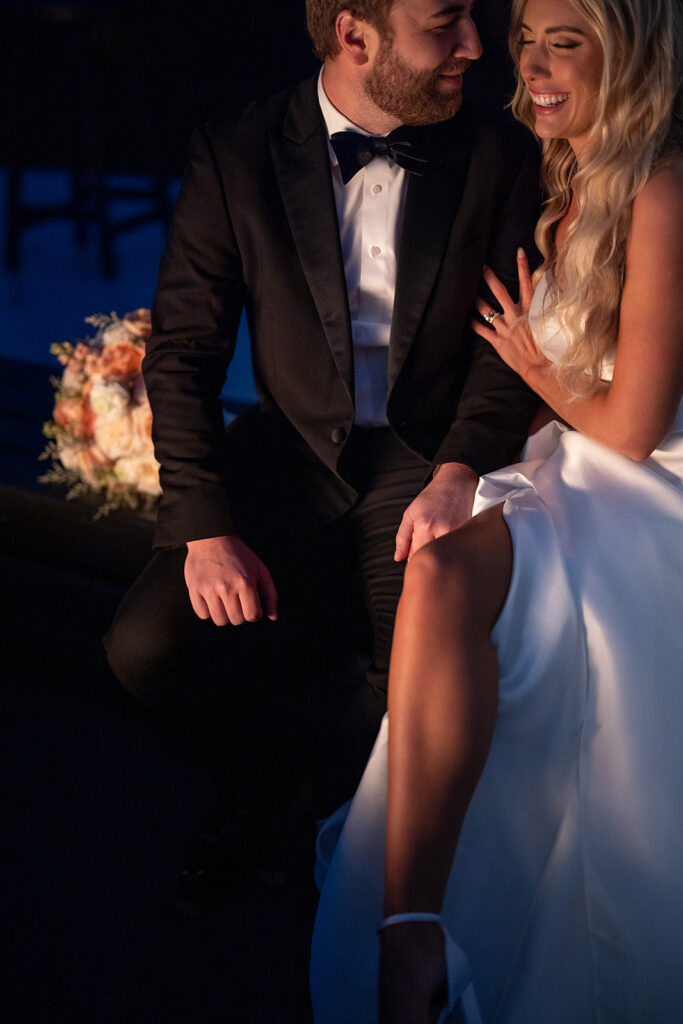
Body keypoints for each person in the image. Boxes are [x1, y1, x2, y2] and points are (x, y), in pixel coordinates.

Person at [103, 0, 541, 910]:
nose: (473, 46)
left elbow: (516, 343)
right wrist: (205, 528)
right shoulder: (238, 150)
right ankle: (262, 781)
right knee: (147, 648)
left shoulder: (497, 150)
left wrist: (463, 466)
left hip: (427, 456)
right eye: (444, 23)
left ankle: (354, 868)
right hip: (289, 450)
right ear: (354, 37)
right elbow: (183, 355)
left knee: (411, 673)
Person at [310, 0, 683, 1020]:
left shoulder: (659, 189)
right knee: (431, 564)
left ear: (631, 52)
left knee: (466, 579)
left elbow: (631, 421)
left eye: (564, 42)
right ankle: (409, 927)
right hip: (561, 462)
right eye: (527, 40)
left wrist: (535, 367)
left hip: (645, 489)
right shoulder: (563, 172)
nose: (530, 64)